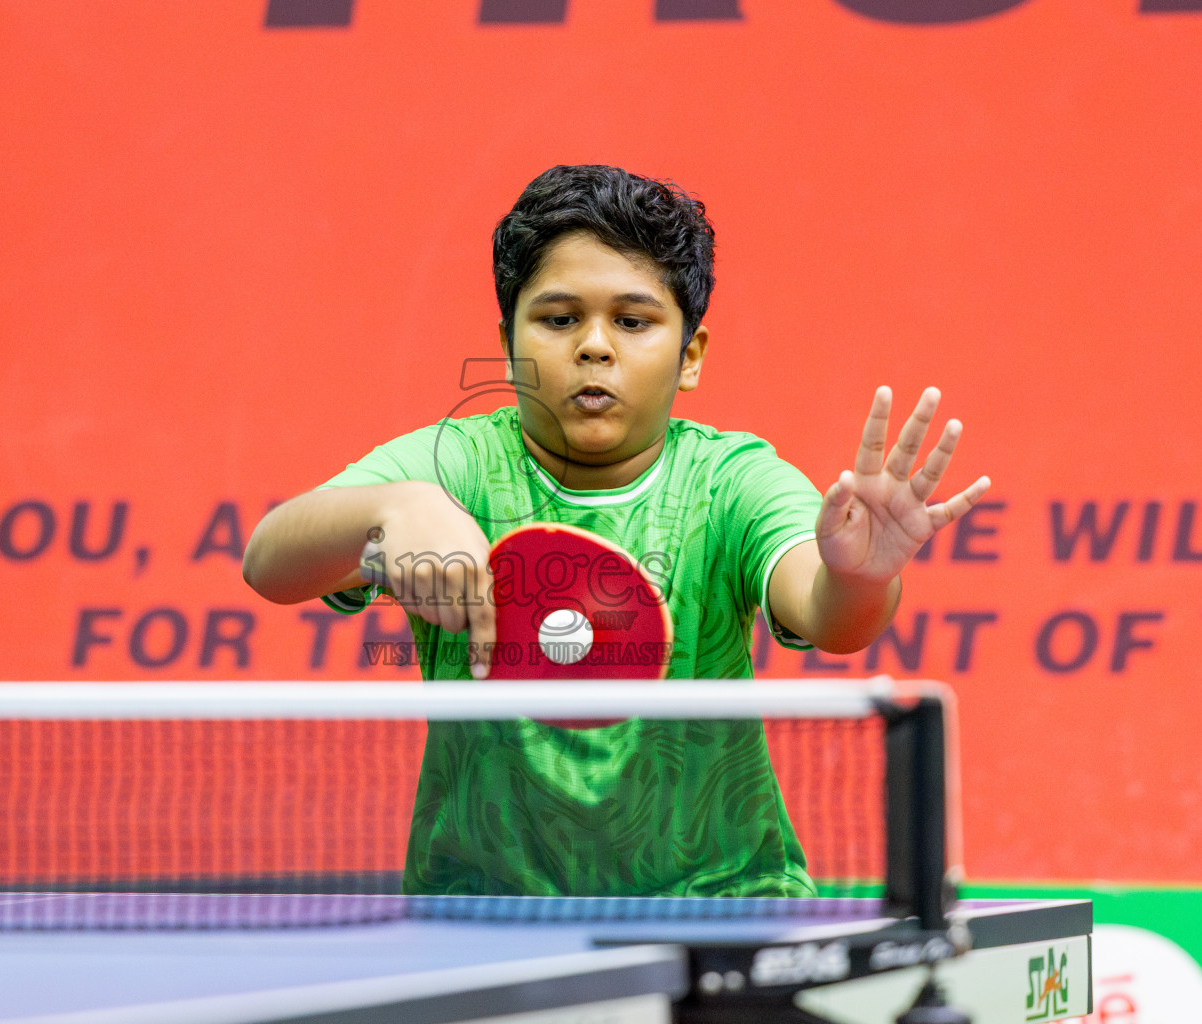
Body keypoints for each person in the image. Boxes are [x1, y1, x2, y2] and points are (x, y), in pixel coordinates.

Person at [242, 165, 989, 897]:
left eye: (632, 322)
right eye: (559, 319)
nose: (594, 346)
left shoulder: (731, 480)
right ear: (508, 342)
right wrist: (394, 508)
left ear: (690, 355)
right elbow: (270, 561)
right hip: (480, 912)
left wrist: (861, 576)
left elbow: (827, 615)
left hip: (719, 905)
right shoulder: (457, 464)